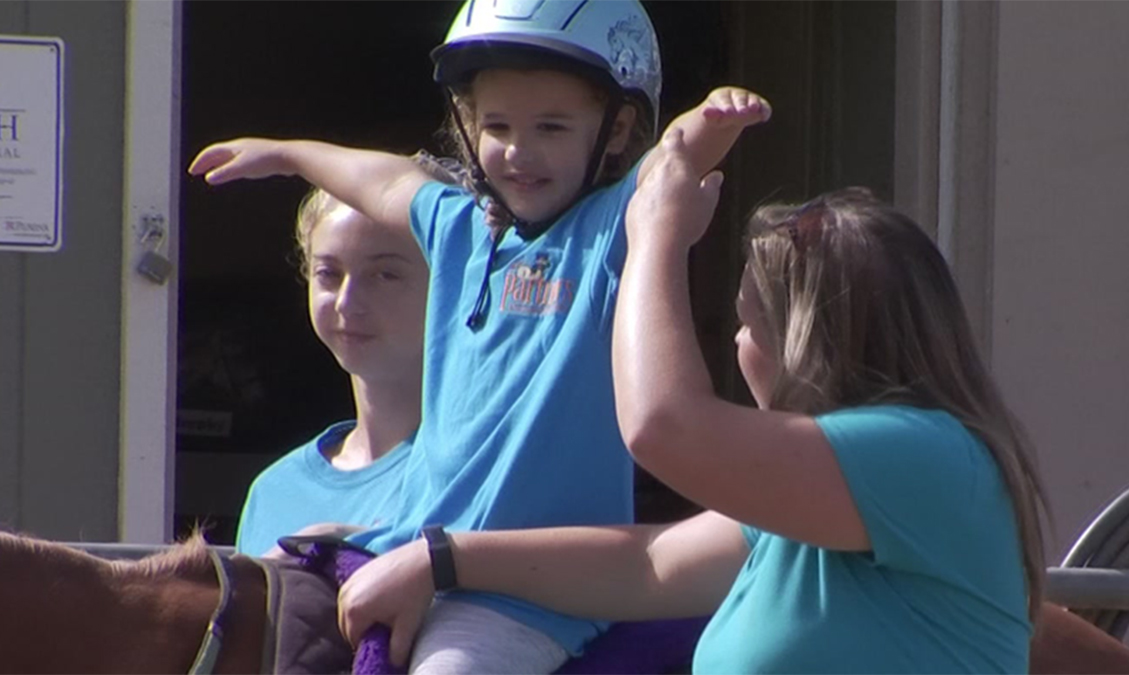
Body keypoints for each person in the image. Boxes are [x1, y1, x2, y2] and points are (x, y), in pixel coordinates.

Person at [187, 1, 772, 672]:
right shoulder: (461, 230)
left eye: (551, 126)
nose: (519, 152)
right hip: (409, 546)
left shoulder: (609, 232)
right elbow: (380, 179)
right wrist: (288, 153)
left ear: (617, 131)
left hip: (519, 596)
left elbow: (672, 163)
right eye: (496, 125)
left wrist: (710, 123)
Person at [334, 130, 1049, 674]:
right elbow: (649, 565)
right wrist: (441, 557)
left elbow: (662, 427)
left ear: (805, 343)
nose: (737, 345)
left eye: (748, 323)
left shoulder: (920, 455)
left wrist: (654, 236)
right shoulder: (835, 492)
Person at [235, 188, 428, 558]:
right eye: (329, 273)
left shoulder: (474, 471)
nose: (348, 302)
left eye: (386, 275)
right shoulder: (275, 489)